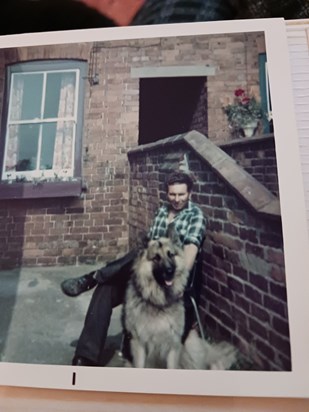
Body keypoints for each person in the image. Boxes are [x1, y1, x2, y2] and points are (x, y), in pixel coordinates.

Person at [61, 171, 206, 366]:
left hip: (168, 283)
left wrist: (180, 283)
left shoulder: (195, 216)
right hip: (146, 281)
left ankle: (92, 277)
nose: (177, 199)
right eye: (172, 194)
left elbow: (190, 251)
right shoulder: (163, 211)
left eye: (181, 194)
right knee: (106, 289)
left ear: (190, 193)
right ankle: (86, 356)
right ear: (167, 193)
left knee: (141, 255)